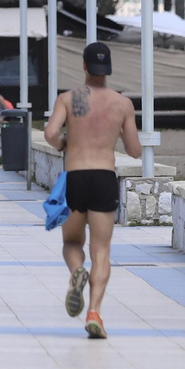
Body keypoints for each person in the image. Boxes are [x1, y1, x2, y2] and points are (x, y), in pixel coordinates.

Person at [43, 40, 141, 340]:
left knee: (72, 242)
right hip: (103, 177)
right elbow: (135, 151)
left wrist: (64, 145)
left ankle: (76, 273)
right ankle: (95, 313)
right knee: (101, 251)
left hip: (75, 177)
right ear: (107, 69)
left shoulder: (67, 99)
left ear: (84, 66)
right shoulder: (123, 104)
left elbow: (49, 134)